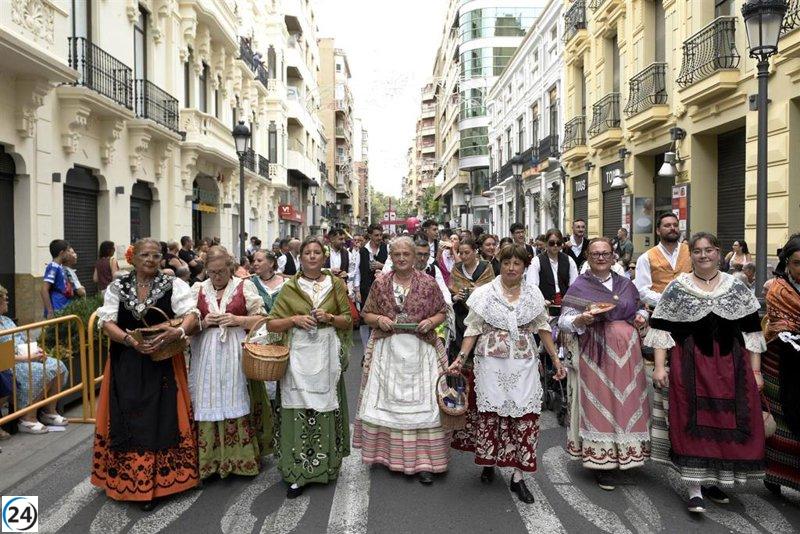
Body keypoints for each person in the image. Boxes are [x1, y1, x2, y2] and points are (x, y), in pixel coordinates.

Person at [645, 232, 766, 514]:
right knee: (690, 418)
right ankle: (695, 488)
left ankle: (714, 482)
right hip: (691, 364)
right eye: (697, 251)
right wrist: (660, 366)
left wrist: (756, 370)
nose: (703, 256)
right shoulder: (678, 287)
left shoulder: (736, 287)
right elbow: (662, 329)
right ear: (692, 255)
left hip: (731, 365)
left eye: (708, 250)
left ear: (718, 252)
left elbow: (752, 331)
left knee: (723, 421)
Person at [449, 244, 565, 503]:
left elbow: (543, 327)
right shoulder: (484, 293)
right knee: (490, 414)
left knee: (524, 416)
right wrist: (460, 359)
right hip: (490, 363)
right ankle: (489, 462)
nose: (512, 268)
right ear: (499, 264)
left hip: (524, 364)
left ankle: (518, 476)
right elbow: (472, 329)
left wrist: (556, 360)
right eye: (507, 262)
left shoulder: (533, 294)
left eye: (517, 263)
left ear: (525, 267)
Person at [93, 238, 200, 510]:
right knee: (126, 417)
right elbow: (107, 322)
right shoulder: (118, 286)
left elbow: (191, 314)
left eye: (156, 255)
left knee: (162, 418)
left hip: (163, 361)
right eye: (145, 255)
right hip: (125, 362)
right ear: (133, 258)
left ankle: (161, 484)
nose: (151, 260)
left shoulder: (173, 284)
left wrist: (175, 332)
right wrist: (130, 341)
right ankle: (130, 482)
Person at [354, 236, 450, 484]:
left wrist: (432, 321)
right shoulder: (381, 284)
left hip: (421, 351)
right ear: (391, 257)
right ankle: (390, 458)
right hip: (389, 351)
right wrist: (379, 320)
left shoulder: (428, 283)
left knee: (426, 407)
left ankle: (427, 462)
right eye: (397, 255)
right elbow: (366, 314)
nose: (402, 259)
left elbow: (442, 311)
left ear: (415, 256)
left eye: (406, 254)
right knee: (390, 406)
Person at [559, 238, 651, 491]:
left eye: (605, 254)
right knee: (600, 403)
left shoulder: (625, 284)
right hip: (595, 352)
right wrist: (581, 318)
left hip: (628, 355)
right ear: (587, 257)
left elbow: (640, 309)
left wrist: (642, 316)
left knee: (628, 402)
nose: (601, 258)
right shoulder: (580, 286)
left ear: (613, 257)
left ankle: (627, 454)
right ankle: (602, 463)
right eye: (595, 254)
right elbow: (564, 321)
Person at [266, 236, 353, 498]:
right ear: (300, 257)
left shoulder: (335, 284)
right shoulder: (290, 287)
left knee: (325, 406)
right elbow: (271, 324)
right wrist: (294, 319)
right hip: (297, 357)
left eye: (317, 252)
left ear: (324, 258)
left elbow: (348, 320)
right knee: (298, 408)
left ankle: (326, 467)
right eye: (308, 253)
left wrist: (329, 317)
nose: (313, 256)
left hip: (326, 354)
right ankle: (297, 471)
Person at [190, 247, 271, 480]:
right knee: (209, 396)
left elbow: (262, 319)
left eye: (222, 271)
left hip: (235, 348)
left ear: (231, 268)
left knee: (236, 394)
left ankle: (240, 460)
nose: (217, 276)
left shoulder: (244, 286)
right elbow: (187, 323)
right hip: (206, 352)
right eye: (212, 272)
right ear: (206, 270)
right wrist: (203, 322)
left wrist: (238, 319)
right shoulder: (197, 289)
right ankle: (211, 461)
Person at [0, 285, 69, 434]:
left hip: (25, 356)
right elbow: (2, 356)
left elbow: (23, 339)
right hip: (9, 364)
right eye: (5, 299)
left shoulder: (6, 320)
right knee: (39, 371)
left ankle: (49, 411)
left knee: (58, 365)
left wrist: (36, 350)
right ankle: (27, 418)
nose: (8, 302)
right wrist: (26, 357)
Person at [763, 235, 800, 495]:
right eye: (798, 263)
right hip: (782, 363)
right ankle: (774, 474)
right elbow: (782, 328)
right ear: (787, 262)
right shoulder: (778, 290)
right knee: (782, 421)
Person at [634, 213, 692, 309]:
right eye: (667, 225)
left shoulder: (691, 251)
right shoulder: (646, 257)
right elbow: (642, 291)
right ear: (658, 231)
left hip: (690, 310)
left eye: (675, 225)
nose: (672, 228)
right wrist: (668, 300)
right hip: (660, 313)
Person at [526, 229, 578, 308]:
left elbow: (574, 285)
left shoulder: (569, 260)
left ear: (562, 244)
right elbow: (532, 287)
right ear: (546, 243)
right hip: (544, 306)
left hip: (565, 306)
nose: (555, 245)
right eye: (551, 243)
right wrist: (541, 301)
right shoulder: (536, 261)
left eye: (558, 243)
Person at [357, 224, 389, 347]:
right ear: (370, 235)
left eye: (381, 235)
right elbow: (357, 272)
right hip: (366, 288)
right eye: (376, 235)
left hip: (383, 290)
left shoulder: (387, 248)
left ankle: (379, 345)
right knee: (365, 319)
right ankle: (366, 348)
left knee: (381, 317)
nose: (379, 238)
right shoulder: (362, 251)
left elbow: (393, 266)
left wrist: (381, 266)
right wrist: (356, 290)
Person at [41, 239, 74, 318]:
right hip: (57, 308)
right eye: (67, 251)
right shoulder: (53, 267)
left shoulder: (60, 267)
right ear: (61, 253)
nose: (69, 254)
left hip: (63, 307)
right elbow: (44, 289)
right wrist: (50, 311)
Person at [325, 228, 359, 298]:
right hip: (325, 291)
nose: (343, 241)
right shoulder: (323, 252)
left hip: (342, 292)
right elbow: (316, 270)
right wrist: (330, 271)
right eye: (340, 239)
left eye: (344, 239)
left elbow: (353, 272)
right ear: (332, 239)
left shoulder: (347, 254)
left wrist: (347, 275)